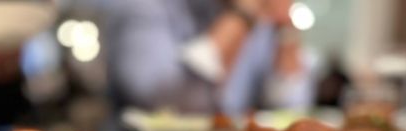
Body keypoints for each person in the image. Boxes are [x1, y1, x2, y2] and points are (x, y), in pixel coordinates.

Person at [102, 0, 317, 115]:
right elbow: (166, 104)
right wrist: (241, 16)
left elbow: (291, 105)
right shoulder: (147, 6)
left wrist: (285, 26)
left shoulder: (260, 19)